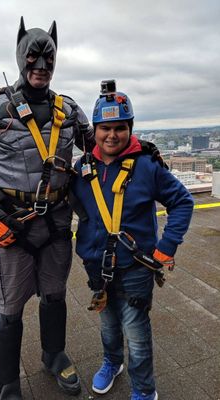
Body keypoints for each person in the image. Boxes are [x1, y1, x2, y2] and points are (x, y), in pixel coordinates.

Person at [0, 17, 95, 400]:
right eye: (33, 56)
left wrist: (140, 149)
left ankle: (54, 354)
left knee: (54, 295)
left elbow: (101, 147)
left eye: (48, 57)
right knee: (9, 308)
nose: (41, 65)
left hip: (56, 226)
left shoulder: (70, 111)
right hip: (11, 228)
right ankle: (7, 383)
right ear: (19, 56)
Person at [71, 80, 194, 400]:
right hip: (97, 264)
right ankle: (112, 362)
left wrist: (166, 247)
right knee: (109, 323)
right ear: (94, 130)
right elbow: (64, 204)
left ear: (130, 128)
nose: (112, 135)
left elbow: (182, 201)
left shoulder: (147, 166)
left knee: (136, 331)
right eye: (105, 128)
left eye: (120, 128)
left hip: (136, 265)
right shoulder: (82, 168)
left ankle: (144, 390)